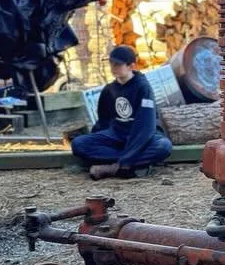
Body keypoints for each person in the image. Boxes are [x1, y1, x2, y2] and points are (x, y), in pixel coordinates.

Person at [69, 46, 172, 180]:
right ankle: (133, 165)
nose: (113, 67)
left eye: (118, 64)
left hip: (142, 136)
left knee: (163, 147)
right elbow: (103, 122)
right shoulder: (109, 90)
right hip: (117, 135)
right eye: (111, 63)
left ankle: (113, 168)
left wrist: (128, 156)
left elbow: (145, 127)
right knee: (78, 144)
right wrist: (97, 140)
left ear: (131, 66)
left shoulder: (143, 88)